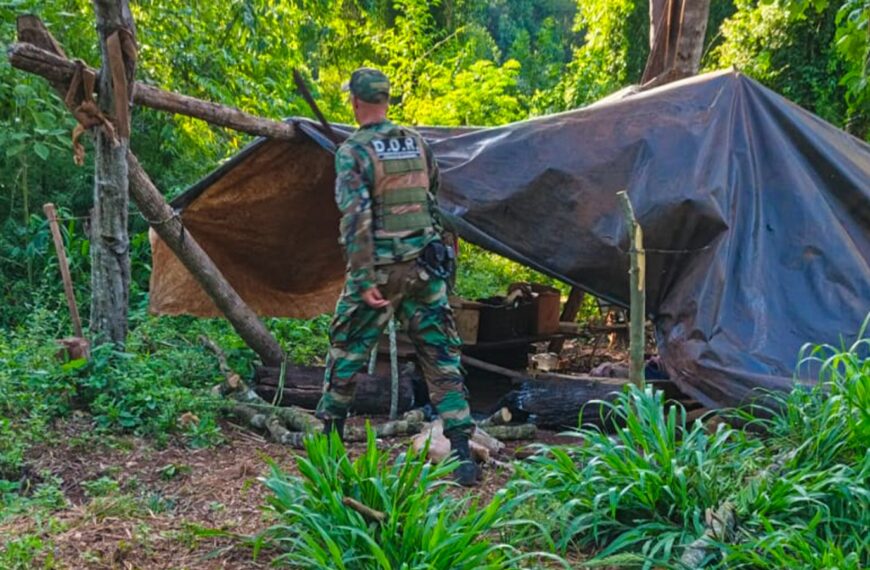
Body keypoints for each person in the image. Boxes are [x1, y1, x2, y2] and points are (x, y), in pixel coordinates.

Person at [315, 67, 479, 486]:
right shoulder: (418, 143)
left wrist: (364, 274)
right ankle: (462, 456)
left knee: (347, 349)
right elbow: (432, 195)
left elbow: (356, 217)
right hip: (425, 269)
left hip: (382, 273)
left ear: (355, 102)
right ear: (387, 100)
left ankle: (329, 448)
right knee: (441, 358)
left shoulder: (354, 150)